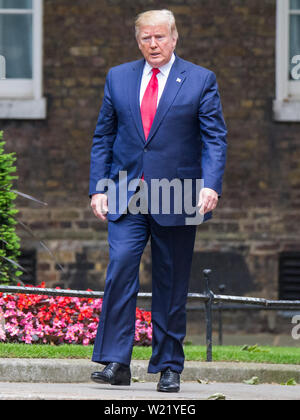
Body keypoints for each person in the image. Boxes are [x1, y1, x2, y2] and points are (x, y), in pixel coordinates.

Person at [89, 9, 227, 393]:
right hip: (125, 191)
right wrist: (99, 187)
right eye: (146, 38)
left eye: (160, 37)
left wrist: (210, 185)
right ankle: (116, 361)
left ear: (174, 38)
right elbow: (104, 135)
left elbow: (215, 138)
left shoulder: (200, 80)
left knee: (171, 281)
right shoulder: (118, 77)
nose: (154, 44)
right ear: (138, 40)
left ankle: (168, 366)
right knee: (120, 269)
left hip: (179, 194)